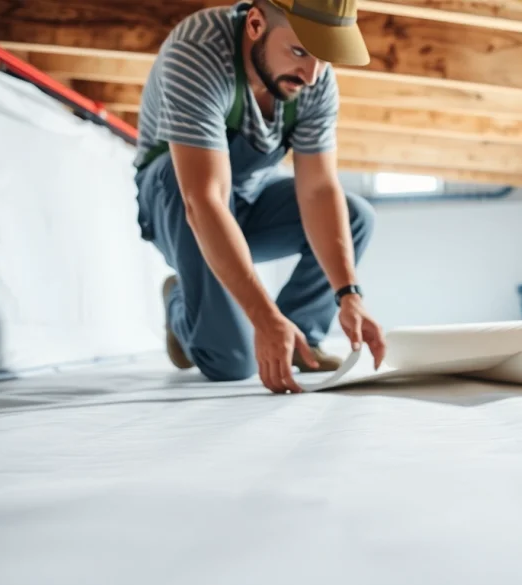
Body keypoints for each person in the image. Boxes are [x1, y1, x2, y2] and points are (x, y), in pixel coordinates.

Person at [132, 0, 386, 393]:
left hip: (246, 205)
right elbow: (205, 200)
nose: (312, 75)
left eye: (323, 59)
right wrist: (262, 316)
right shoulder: (198, 52)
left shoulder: (315, 79)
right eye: (299, 51)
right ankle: (181, 304)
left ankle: (298, 337)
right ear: (255, 24)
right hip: (181, 205)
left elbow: (318, 189)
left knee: (356, 216)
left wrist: (348, 293)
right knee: (232, 362)